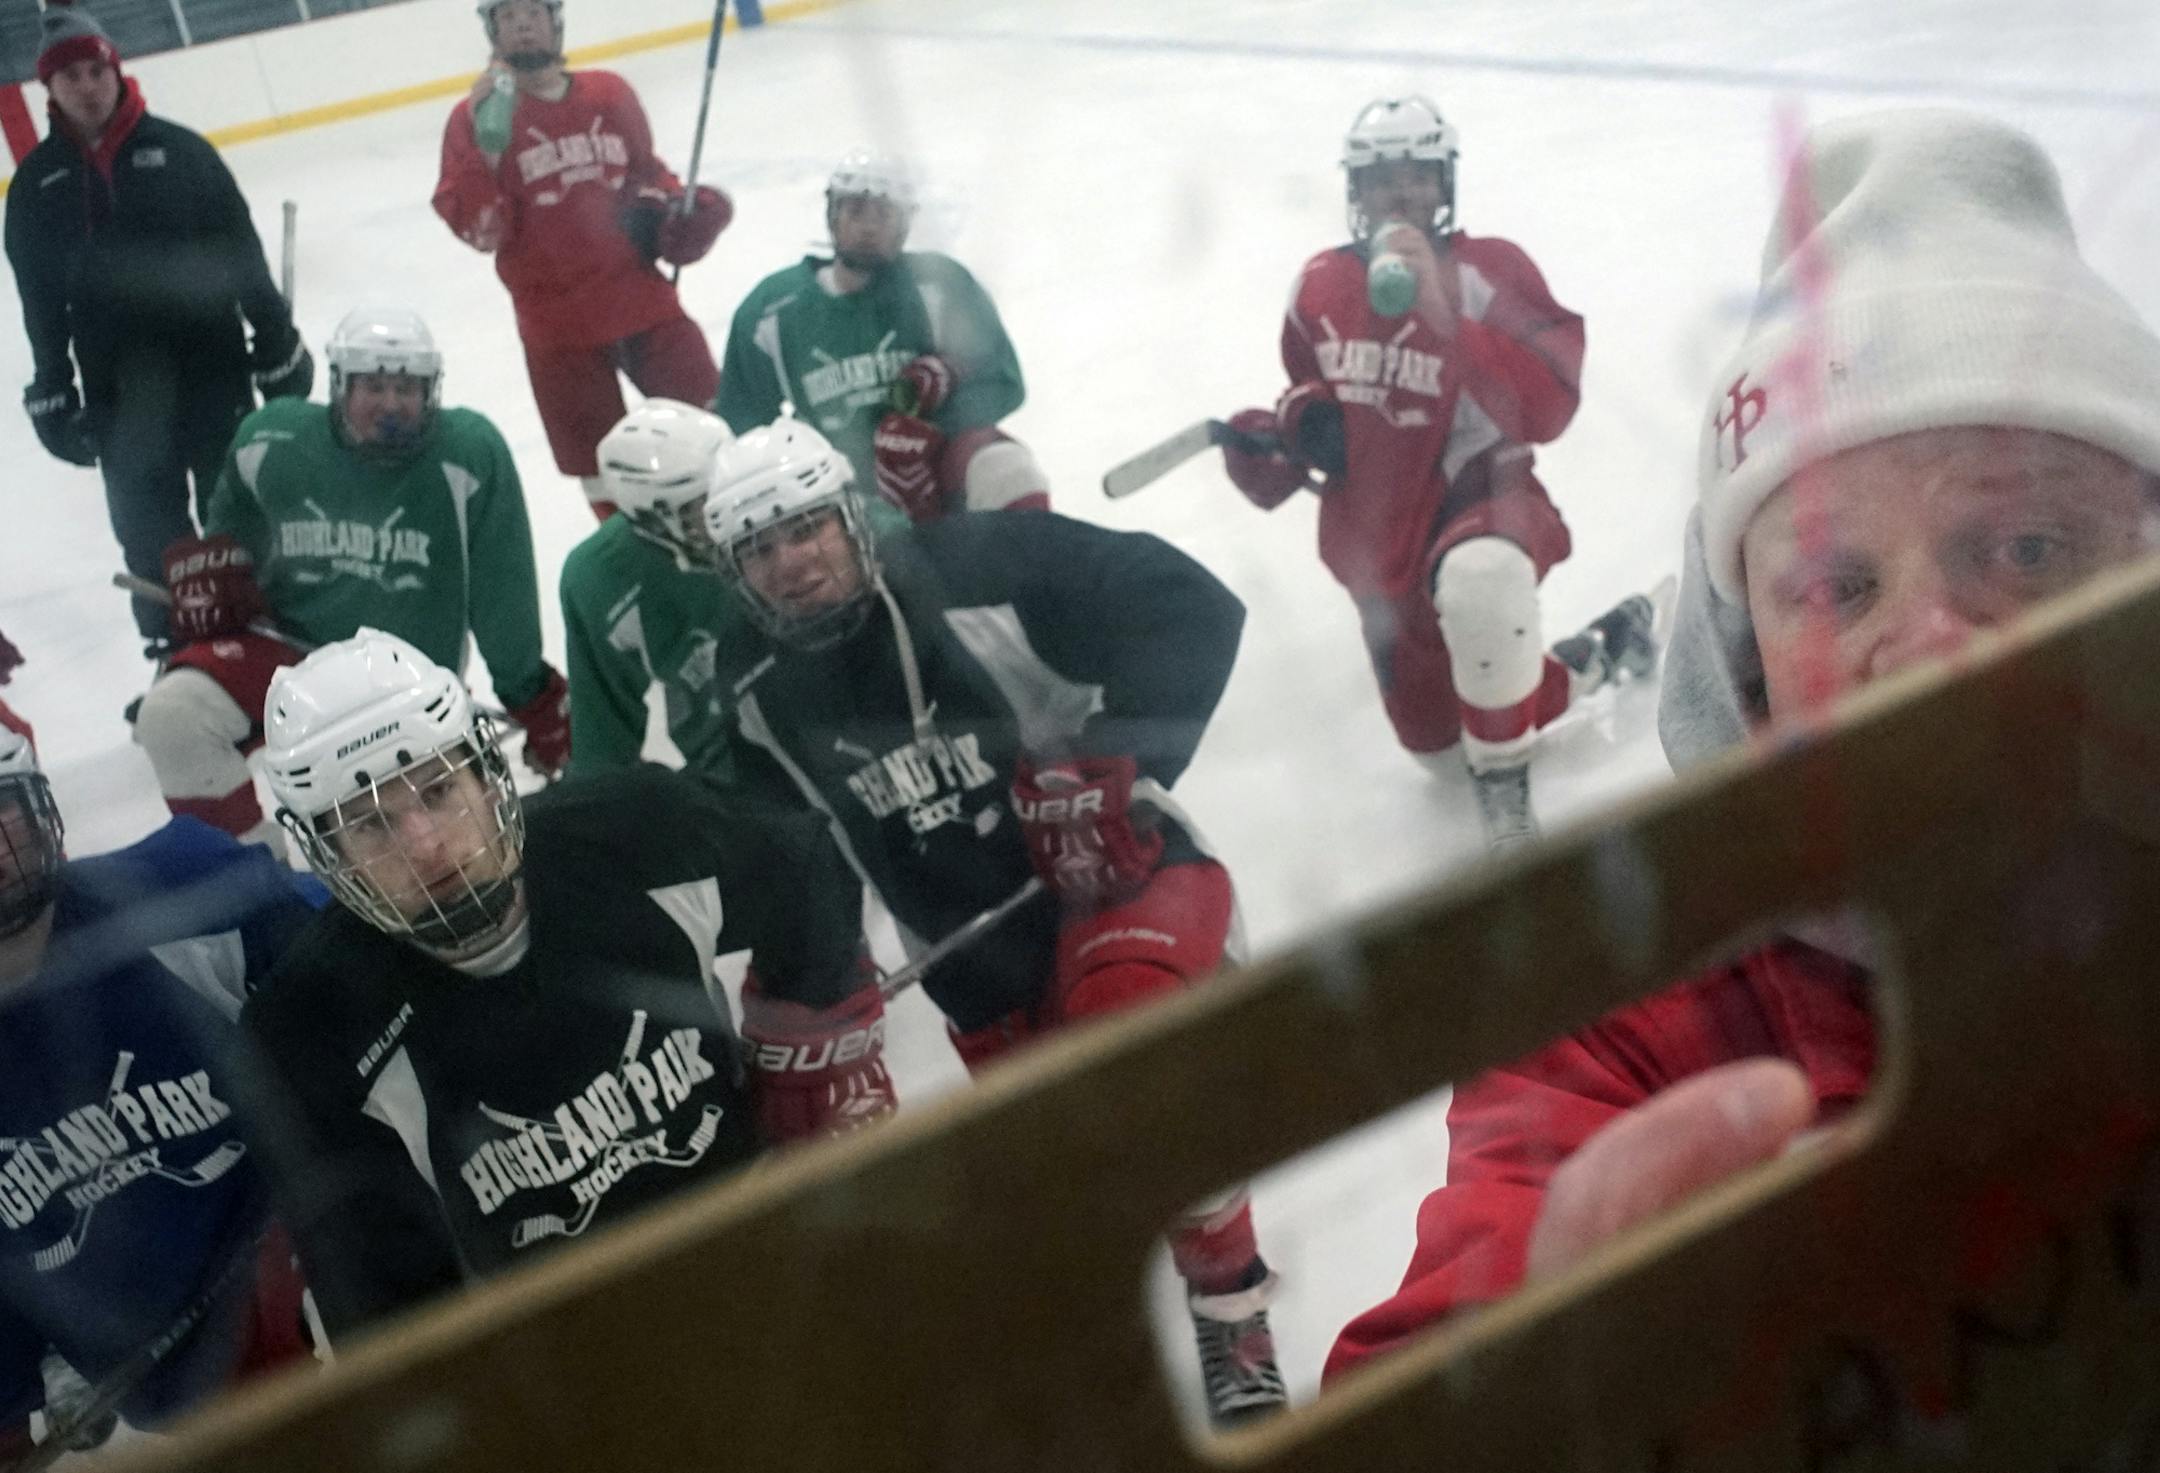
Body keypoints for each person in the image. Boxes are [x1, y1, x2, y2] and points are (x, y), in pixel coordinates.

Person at [1326, 109, 2160, 1385]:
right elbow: (1443, 1339)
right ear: (1743, 650)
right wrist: (1547, 1386)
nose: (1932, 651)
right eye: (1835, 584)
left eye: (2028, 549)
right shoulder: (1617, 1020)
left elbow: (1544, 378)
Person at [695, 419, 1283, 1426]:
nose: (791, 564)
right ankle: (1124, 1340)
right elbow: (798, 861)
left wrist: (1111, 762)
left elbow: (1189, 605)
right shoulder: (750, 692)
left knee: (1130, 1049)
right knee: (1076, 1172)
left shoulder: (976, 569)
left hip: (1125, 879)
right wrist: (809, 999)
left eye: (806, 532)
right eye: (760, 549)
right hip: (973, 960)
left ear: (851, 520)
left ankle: (1234, 1313)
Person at [236, 630, 876, 1339]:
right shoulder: (310, 1033)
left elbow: (806, 866)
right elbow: (387, 1305)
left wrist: (804, 1057)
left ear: (487, 772)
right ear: (329, 855)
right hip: (569, 1357)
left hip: (764, 1248)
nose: (423, 843)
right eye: (370, 823)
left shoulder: (636, 829)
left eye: (440, 789)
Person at [1218, 96, 1659, 847]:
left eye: (1418, 175)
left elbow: (1548, 407)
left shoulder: (1493, 270)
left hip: (1483, 491)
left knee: (1482, 581)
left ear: (1445, 181)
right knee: (1445, 752)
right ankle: (1591, 659)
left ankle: (1509, 808)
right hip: (1381, 539)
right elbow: (1311, 390)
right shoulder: (1319, 285)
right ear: (1358, 192)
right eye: (1384, 177)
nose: (1402, 193)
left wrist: (1452, 321)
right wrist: (1290, 430)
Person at [131, 305, 570, 851]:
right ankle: (249, 878)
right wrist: (217, 579)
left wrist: (528, 689)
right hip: (287, 660)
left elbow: (503, 590)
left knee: (412, 847)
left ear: (431, 390)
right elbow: (232, 534)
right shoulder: (273, 439)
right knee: (174, 715)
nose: (391, 403)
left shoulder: (467, 454)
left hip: (397, 679)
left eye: (407, 388)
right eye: (375, 386)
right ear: (340, 386)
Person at [0, 725, 323, 1460]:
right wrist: (18, 1394)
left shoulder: (190, 893)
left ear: (41, 813)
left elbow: (371, 986)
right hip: (167, 1394)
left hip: (329, 1299)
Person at [4, 4, 313, 653]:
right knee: (149, 528)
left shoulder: (181, 152)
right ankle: (175, 648)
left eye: (96, 70)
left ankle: (272, 629)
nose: (87, 86)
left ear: (116, 70)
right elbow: (39, 301)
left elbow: (240, 253)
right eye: (71, 77)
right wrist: (53, 385)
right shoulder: (36, 188)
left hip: (214, 369)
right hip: (118, 392)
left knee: (240, 509)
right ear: (49, 89)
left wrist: (276, 336)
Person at [432, 0, 733, 519]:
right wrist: (486, 153)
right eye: (507, 15)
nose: (522, 23)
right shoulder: (469, 120)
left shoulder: (610, 94)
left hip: (642, 302)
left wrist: (679, 215)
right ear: (491, 30)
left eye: (533, 11)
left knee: (717, 430)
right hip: (557, 330)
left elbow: (647, 180)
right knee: (600, 472)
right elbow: (483, 231)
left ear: (556, 21)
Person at [560, 400, 907, 779]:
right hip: (745, 774)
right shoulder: (602, 579)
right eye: (700, 509)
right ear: (651, 519)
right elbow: (603, 745)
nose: (728, 513)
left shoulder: (791, 507)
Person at [714, 150, 1051, 522]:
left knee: (1007, 468)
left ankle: (1035, 574)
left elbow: (1002, 380)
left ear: (905, 224)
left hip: (937, 465)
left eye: (884, 214)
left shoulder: (941, 284)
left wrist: (932, 429)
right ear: (832, 216)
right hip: (833, 487)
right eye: (856, 211)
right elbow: (743, 422)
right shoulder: (772, 310)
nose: (869, 228)